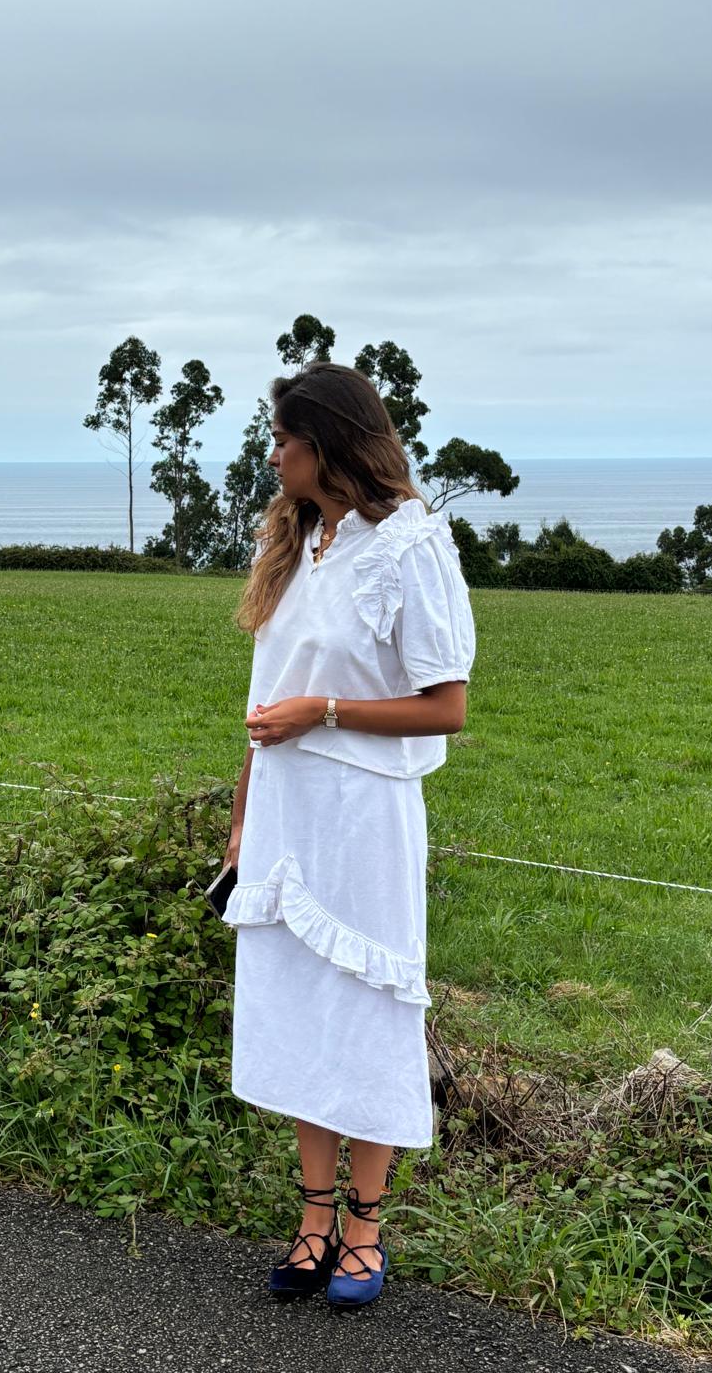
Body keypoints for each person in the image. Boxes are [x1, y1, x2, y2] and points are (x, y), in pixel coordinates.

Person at [224, 361, 476, 1309]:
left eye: (285, 439)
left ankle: (367, 1230)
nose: (275, 454)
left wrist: (323, 712)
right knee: (296, 1009)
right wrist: (243, 816)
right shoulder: (297, 543)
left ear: (327, 444)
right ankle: (313, 1221)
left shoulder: (411, 547)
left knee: (366, 1010)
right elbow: (261, 704)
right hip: (286, 812)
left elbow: (446, 707)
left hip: (364, 818)